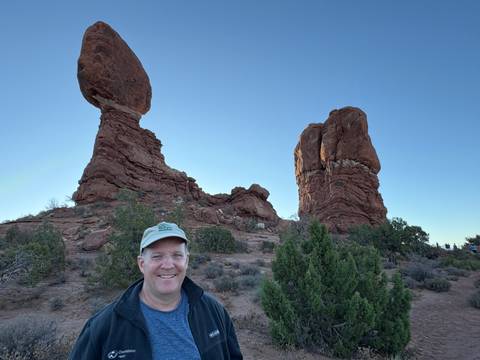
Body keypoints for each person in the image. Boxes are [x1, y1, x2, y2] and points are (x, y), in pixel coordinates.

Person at [69, 221, 243, 360]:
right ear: (141, 264)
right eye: (157, 256)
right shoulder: (103, 327)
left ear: (187, 261)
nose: (168, 265)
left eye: (177, 255)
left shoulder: (214, 312)